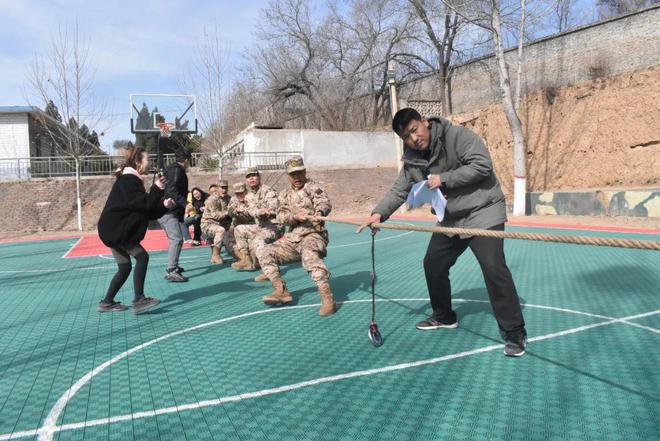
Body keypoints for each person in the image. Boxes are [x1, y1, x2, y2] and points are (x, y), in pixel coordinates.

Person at [358, 108, 527, 356]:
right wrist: (378, 213)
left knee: (494, 268)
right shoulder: (412, 160)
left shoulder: (458, 136)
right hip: (451, 218)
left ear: (424, 122)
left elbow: (482, 166)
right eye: (406, 136)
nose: (414, 138)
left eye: (415, 130)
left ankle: (515, 332)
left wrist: (444, 178)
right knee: (433, 264)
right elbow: (399, 190)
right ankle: (444, 316)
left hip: (483, 211)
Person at [97, 147, 175, 313]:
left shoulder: (131, 180)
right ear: (139, 162)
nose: (149, 162)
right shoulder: (128, 180)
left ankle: (107, 302)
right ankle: (139, 300)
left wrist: (163, 205)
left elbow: (146, 209)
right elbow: (145, 204)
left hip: (113, 231)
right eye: (147, 159)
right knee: (142, 257)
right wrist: (156, 188)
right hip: (118, 232)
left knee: (125, 267)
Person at [256, 156, 336, 316]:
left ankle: (328, 298)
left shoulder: (313, 187)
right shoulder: (284, 194)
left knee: (309, 255)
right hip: (293, 238)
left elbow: (324, 203)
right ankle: (281, 289)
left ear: (304, 171)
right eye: (293, 174)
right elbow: (281, 215)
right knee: (265, 252)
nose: (297, 177)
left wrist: (318, 212)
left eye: (300, 173)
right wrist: (295, 217)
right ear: (288, 175)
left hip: (313, 234)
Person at [231, 167, 283, 271]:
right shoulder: (249, 195)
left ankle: (270, 271)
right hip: (261, 225)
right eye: (248, 177)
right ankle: (246, 260)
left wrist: (262, 212)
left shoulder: (268, 191)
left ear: (259, 177)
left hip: (273, 226)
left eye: (253, 176)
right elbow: (250, 211)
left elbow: (273, 209)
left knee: (258, 241)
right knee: (239, 229)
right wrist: (240, 211)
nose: (251, 179)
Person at [158, 149, 191, 282]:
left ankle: (174, 266)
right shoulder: (177, 170)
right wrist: (186, 203)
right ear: (187, 160)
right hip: (168, 211)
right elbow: (171, 189)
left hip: (169, 211)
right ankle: (172, 270)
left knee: (176, 240)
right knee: (176, 239)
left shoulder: (172, 169)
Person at [201, 181, 232, 264]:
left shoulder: (228, 198)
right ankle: (216, 255)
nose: (224, 190)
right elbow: (216, 216)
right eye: (222, 188)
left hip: (222, 224)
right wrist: (228, 212)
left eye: (225, 188)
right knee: (220, 230)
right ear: (217, 189)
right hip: (208, 224)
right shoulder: (211, 200)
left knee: (233, 251)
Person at [226, 182, 254, 259]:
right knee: (228, 241)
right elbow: (229, 211)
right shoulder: (233, 199)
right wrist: (236, 211)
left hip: (251, 225)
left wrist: (245, 211)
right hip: (237, 225)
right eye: (237, 193)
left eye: (242, 192)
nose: (240, 195)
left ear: (245, 191)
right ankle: (243, 258)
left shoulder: (251, 197)